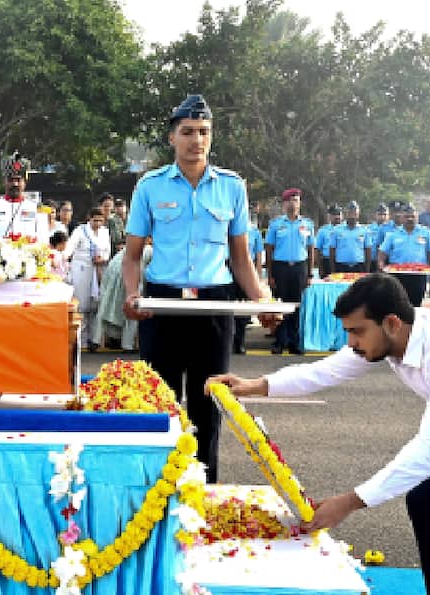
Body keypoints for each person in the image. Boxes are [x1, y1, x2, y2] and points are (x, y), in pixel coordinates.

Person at [206, 273, 430, 595]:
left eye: (356, 331)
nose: (351, 342)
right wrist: (255, 385)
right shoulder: (393, 336)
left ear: (391, 322)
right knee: (428, 502)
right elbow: (325, 371)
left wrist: (348, 502)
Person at [122, 94, 271, 483]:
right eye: (187, 132)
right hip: (163, 304)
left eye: (203, 132)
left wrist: (263, 300)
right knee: (161, 403)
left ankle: (204, 492)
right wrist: (132, 294)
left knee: (209, 403)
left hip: (214, 306)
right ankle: (159, 491)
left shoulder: (232, 188)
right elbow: (133, 254)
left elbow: (240, 258)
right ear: (172, 138)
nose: (196, 140)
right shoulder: (150, 187)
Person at [265, 187, 315, 355]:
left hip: (299, 267)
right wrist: (270, 274)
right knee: (280, 305)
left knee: (296, 305)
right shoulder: (276, 224)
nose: (293, 203)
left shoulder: (307, 224)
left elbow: (310, 249)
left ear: (300, 203)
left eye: (296, 200)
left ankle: (294, 342)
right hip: (280, 267)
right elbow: (269, 249)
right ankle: (279, 341)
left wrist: (309, 274)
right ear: (284, 204)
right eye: (290, 200)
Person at [66, 207, 111, 349]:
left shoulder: (105, 232)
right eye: (94, 220)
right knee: (82, 304)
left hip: (99, 269)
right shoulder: (80, 231)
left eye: (100, 220)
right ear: (89, 219)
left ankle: (94, 339)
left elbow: (108, 251)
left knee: (96, 305)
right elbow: (70, 248)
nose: (97, 223)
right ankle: (82, 340)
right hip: (82, 270)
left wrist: (102, 259)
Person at [0, 152, 49, 239]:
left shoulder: (37, 209)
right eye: (10, 180)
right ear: (4, 182)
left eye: (18, 180)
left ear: (25, 182)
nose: (15, 184)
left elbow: (43, 240)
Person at [378, 203, 430, 307]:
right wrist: (381, 263)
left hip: (418, 274)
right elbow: (383, 251)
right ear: (402, 218)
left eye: (412, 216)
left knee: (416, 303)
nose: (410, 219)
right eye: (407, 216)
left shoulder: (425, 232)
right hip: (397, 274)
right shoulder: (393, 234)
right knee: (397, 303)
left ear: (417, 217)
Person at [233, 201, 265, 355]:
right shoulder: (228, 226)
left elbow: (258, 256)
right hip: (227, 268)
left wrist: (257, 276)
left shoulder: (254, 231)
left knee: (243, 310)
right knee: (227, 309)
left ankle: (240, 342)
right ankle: (229, 342)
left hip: (246, 269)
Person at [330, 201, 368, 274]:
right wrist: (333, 270)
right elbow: (332, 250)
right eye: (350, 213)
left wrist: (366, 270)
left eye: (354, 213)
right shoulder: (336, 230)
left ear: (358, 215)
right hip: (341, 266)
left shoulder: (365, 230)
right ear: (346, 214)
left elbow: (367, 251)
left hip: (359, 267)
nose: (352, 216)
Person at [314, 205, 342, 279]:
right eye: (334, 214)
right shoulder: (323, 230)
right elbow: (317, 250)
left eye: (339, 214)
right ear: (329, 216)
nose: (337, 216)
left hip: (341, 262)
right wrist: (320, 269)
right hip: (327, 262)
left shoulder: (346, 230)